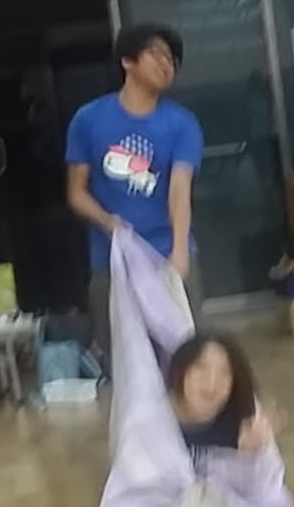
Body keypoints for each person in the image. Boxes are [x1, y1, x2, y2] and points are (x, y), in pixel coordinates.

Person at [67, 23, 204, 358]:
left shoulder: (183, 124)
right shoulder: (88, 120)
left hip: (167, 254)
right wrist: (108, 222)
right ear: (127, 61)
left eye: (172, 60)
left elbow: (180, 190)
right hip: (111, 260)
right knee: (123, 358)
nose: (166, 64)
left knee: (184, 357)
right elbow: (76, 193)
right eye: (157, 54)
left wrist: (180, 253)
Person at [166, 333, 275, 456]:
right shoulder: (154, 408)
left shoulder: (238, 427)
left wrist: (250, 450)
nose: (211, 382)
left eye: (225, 372)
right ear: (182, 370)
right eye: (200, 366)